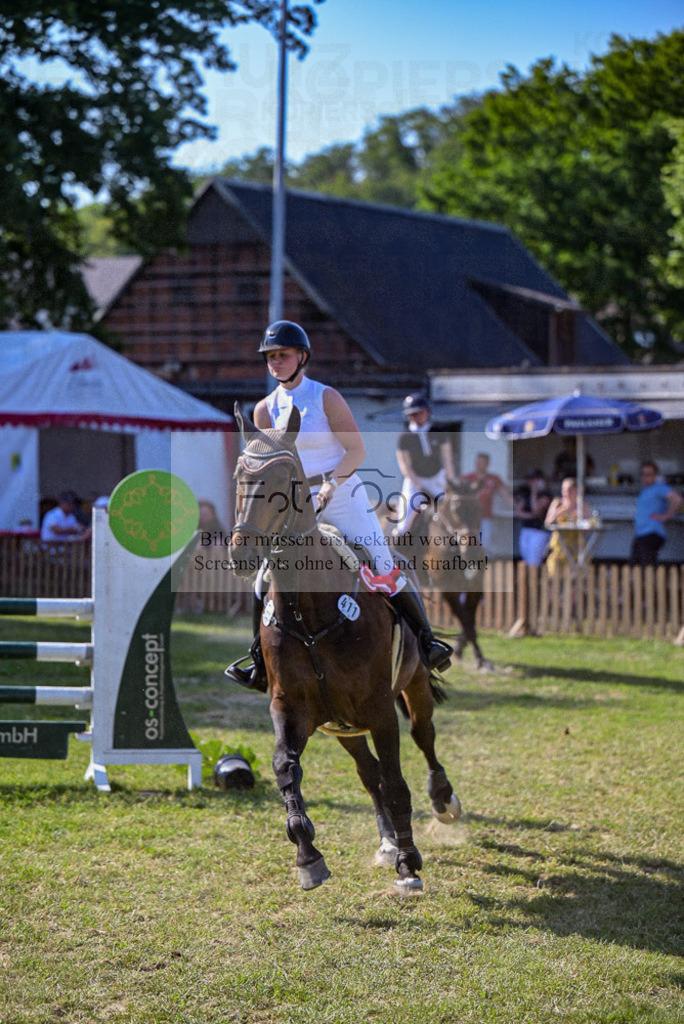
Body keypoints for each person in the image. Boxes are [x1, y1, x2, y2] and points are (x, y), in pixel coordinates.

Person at [224, 320, 452, 689]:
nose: (276, 362)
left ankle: (427, 644)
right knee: (264, 578)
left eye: (283, 355)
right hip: (294, 504)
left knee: (382, 563)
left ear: (302, 357)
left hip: (342, 495)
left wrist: (331, 485)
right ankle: (258, 662)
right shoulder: (264, 410)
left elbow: (356, 450)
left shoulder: (325, 397)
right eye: (270, 357)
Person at [394, 394, 455, 535]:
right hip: (415, 481)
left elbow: (447, 459)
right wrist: (420, 486)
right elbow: (405, 465)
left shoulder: (439, 432)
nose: (418, 417)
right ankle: (400, 550)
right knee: (403, 525)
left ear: (427, 412)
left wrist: (451, 482)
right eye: (413, 414)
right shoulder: (405, 437)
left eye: (420, 413)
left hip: (437, 479)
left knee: (453, 518)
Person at [630, 461, 683, 567]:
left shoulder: (659, 487)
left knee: (647, 567)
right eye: (643, 474)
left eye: (649, 474)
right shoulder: (645, 490)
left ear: (655, 475)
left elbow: (677, 499)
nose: (645, 477)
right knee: (634, 566)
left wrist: (666, 516)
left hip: (651, 533)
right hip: (641, 534)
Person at [462, 452, 513, 550]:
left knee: (485, 543)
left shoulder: (493, 478)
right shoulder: (468, 478)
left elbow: (505, 495)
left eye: (481, 462)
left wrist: (515, 506)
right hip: (470, 517)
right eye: (477, 462)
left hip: (486, 516)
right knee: (469, 543)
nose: (478, 465)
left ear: (487, 464)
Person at [544, 477, 591, 577]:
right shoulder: (557, 504)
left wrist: (582, 516)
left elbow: (587, 530)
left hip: (576, 550)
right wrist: (558, 513)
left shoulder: (582, 506)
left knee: (574, 583)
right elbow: (547, 523)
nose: (566, 493)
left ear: (576, 490)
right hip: (559, 549)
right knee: (554, 581)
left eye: (569, 489)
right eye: (564, 490)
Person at [515, 469, 552, 566]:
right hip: (526, 529)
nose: (531, 483)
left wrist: (534, 493)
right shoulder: (525, 494)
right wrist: (530, 516)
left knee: (534, 560)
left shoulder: (545, 495)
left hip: (539, 531)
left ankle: (534, 579)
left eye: (534, 480)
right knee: (525, 557)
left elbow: (536, 510)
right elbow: (519, 512)